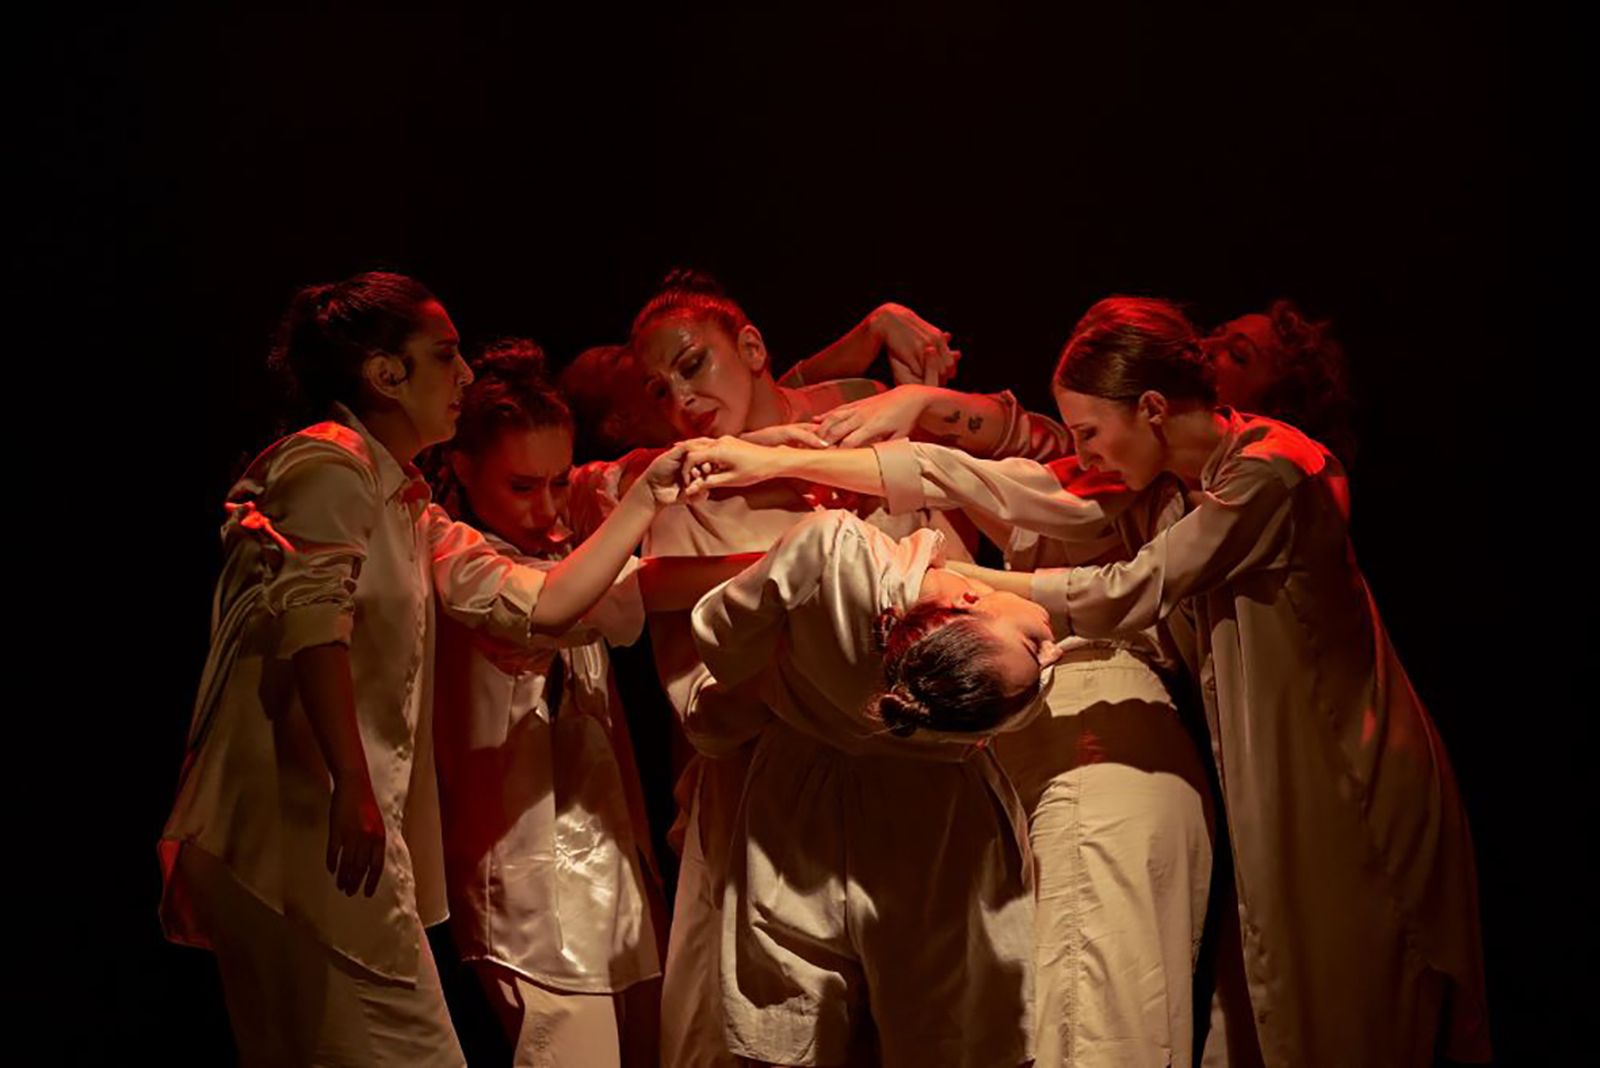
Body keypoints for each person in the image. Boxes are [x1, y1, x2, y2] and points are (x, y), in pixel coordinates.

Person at [686, 295, 1491, 1065]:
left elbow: (1124, 591)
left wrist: (950, 582)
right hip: (1266, 762)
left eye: (1089, 430)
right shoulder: (1163, 482)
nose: (1083, 450)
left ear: (1147, 407)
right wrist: (805, 445)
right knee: (1274, 990)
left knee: (1342, 995)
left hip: (1342, 764)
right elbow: (1003, 474)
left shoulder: (1269, 472)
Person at [158, 272, 701, 1066]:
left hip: (330, 839)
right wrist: (352, 782)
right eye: (444, 356)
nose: (466, 374)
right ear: (384, 374)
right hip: (291, 831)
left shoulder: (410, 509)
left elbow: (546, 603)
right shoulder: (327, 462)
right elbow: (313, 624)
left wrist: (648, 498)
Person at [687, 508, 1045, 1066]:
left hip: (802, 798)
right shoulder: (838, 556)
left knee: (793, 1005)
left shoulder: (831, 551)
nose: (1052, 650)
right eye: (1035, 646)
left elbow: (719, 636)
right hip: (933, 822)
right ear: (964, 602)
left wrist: (787, 682)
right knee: (941, 1023)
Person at [432, 342, 667, 1065]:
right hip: (532, 900)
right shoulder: (457, 564)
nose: (549, 509)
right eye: (524, 486)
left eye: (559, 483)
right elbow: (577, 602)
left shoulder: (569, 546)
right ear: (465, 470)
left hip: (614, 878)